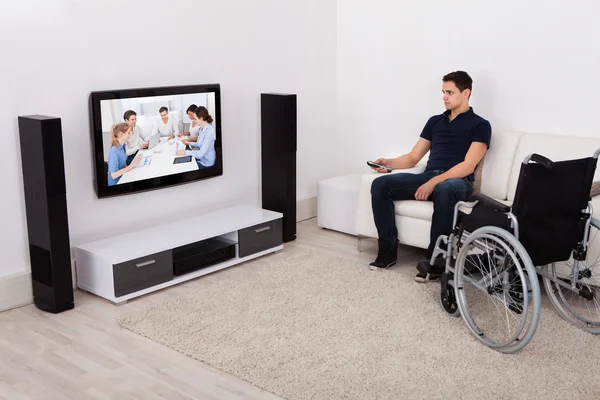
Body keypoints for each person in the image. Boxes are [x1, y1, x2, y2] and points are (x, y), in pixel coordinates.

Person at [368, 71, 491, 283]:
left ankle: (436, 261)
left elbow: (468, 165)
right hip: (430, 177)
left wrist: (434, 182)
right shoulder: (435, 122)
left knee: (444, 188)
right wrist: (388, 163)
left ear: (466, 93)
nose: (444, 97)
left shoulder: (480, 125)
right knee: (380, 184)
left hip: (457, 183)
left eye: (450, 92)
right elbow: (413, 157)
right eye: (443, 92)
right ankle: (387, 252)